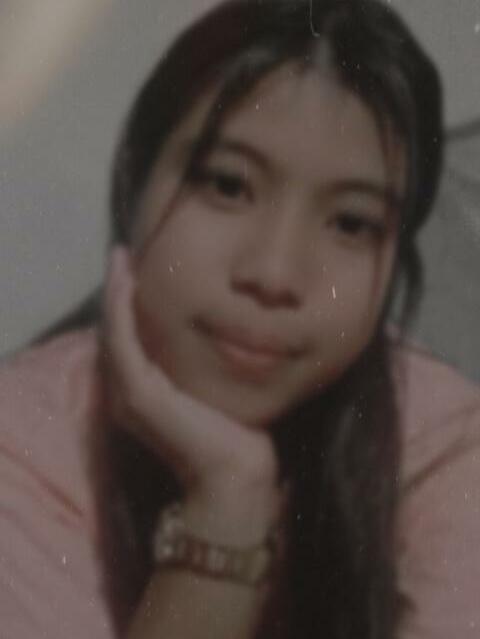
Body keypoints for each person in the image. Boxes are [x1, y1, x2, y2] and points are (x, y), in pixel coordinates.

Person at [1, 1, 479, 638]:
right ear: (134, 185)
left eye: (351, 223)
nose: (274, 274)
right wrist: (227, 503)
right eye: (228, 186)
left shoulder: (444, 442)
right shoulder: (21, 445)